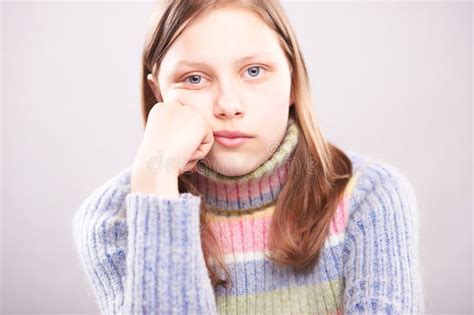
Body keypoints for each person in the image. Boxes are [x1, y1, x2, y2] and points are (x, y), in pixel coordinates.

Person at [72, 1, 425, 314]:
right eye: (194, 78)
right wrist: (155, 182)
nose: (228, 105)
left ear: (292, 78)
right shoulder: (114, 219)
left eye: (254, 71)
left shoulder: (369, 196)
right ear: (158, 92)